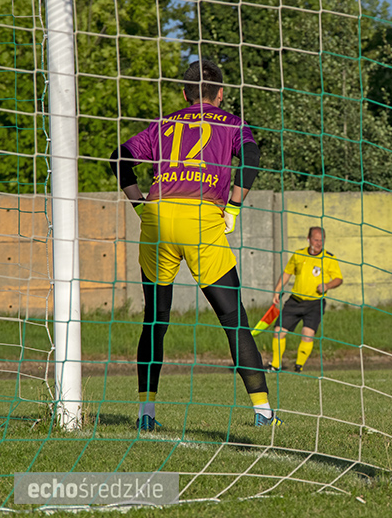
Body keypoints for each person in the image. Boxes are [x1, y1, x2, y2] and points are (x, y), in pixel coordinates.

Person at [109, 60, 281, 430]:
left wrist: (140, 205)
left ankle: (146, 414)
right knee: (234, 320)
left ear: (184, 94)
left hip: (158, 217)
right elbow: (252, 156)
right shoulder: (232, 122)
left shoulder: (163, 124)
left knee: (155, 319)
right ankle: (263, 411)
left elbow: (118, 157)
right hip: (200, 218)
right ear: (220, 94)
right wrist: (234, 204)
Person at [271, 227, 343, 372]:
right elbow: (287, 273)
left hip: (315, 303)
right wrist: (277, 290)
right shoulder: (298, 255)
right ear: (308, 239)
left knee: (307, 335)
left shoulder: (329, 258)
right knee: (278, 332)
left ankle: (299, 366)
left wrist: (327, 285)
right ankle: (275, 365)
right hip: (295, 301)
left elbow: (339, 279)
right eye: (316, 240)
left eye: (322, 240)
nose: (319, 243)